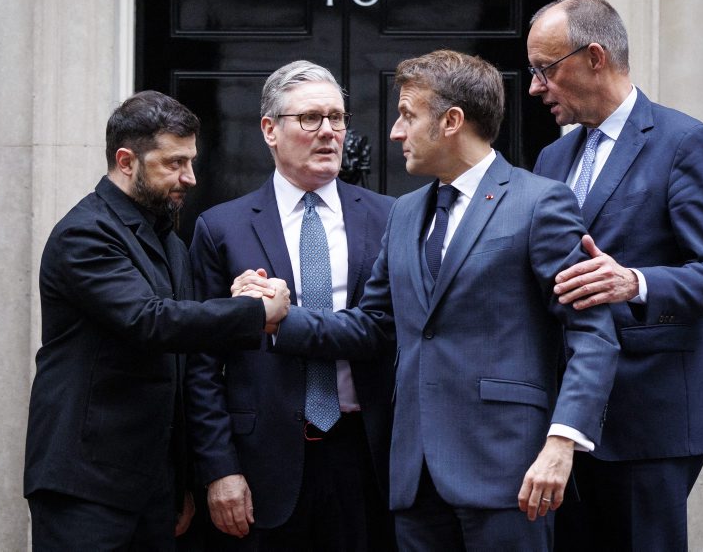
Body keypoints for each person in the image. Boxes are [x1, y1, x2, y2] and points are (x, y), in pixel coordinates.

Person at [240, 50, 620, 551]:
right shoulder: (405, 213)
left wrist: (562, 441)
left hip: (511, 471)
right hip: (414, 478)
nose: (395, 132)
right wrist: (278, 318)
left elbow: (592, 334)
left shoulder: (539, 203)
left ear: (451, 121)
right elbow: (372, 325)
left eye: (407, 115)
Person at [23, 90, 290, 551]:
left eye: (190, 161)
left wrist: (240, 295)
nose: (190, 177)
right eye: (174, 163)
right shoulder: (85, 233)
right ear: (126, 161)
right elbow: (149, 321)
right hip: (84, 485)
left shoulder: (168, 240)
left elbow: (181, 349)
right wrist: (254, 312)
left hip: (150, 486)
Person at [528, 0, 703, 551]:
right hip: (564, 419)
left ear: (594, 57)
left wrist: (636, 282)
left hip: (649, 418)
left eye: (545, 69)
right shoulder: (552, 159)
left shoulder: (685, 143)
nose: (535, 87)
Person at [186, 61, 396, 551]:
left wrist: (281, 320)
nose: (328, 132)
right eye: (310, 118)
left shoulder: (390, 218)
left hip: (367, 457)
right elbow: (200, 364)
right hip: (262, 462)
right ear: (269, 130)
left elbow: (390, 330)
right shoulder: (222, 228)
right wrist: (219, 469)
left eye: (336, 118)